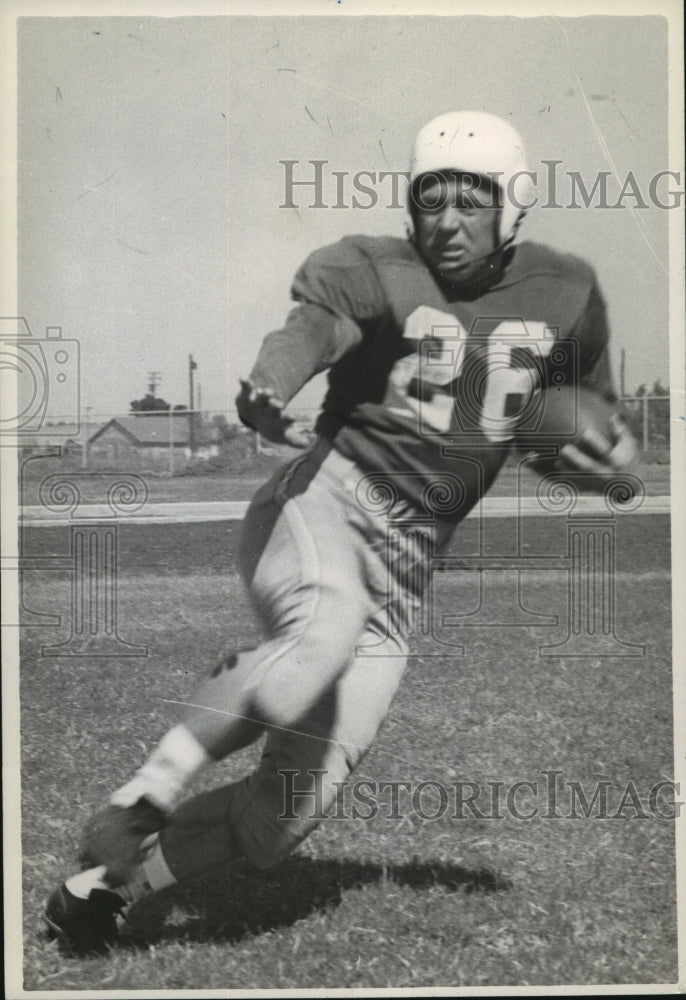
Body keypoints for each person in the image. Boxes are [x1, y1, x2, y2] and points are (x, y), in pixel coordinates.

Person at [44, 111, 636, 954]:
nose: (448, 220)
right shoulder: (375, 267)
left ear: (516, 207)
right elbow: (315, 328)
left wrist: (601, 461)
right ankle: (148, 790)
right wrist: (267, 384)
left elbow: (577, 416)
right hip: (322, 504)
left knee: (279, 822)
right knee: (319, 638)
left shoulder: (567, 292)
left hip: (404, 573)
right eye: (431, 198)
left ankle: (105, 884)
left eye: (472, 201)